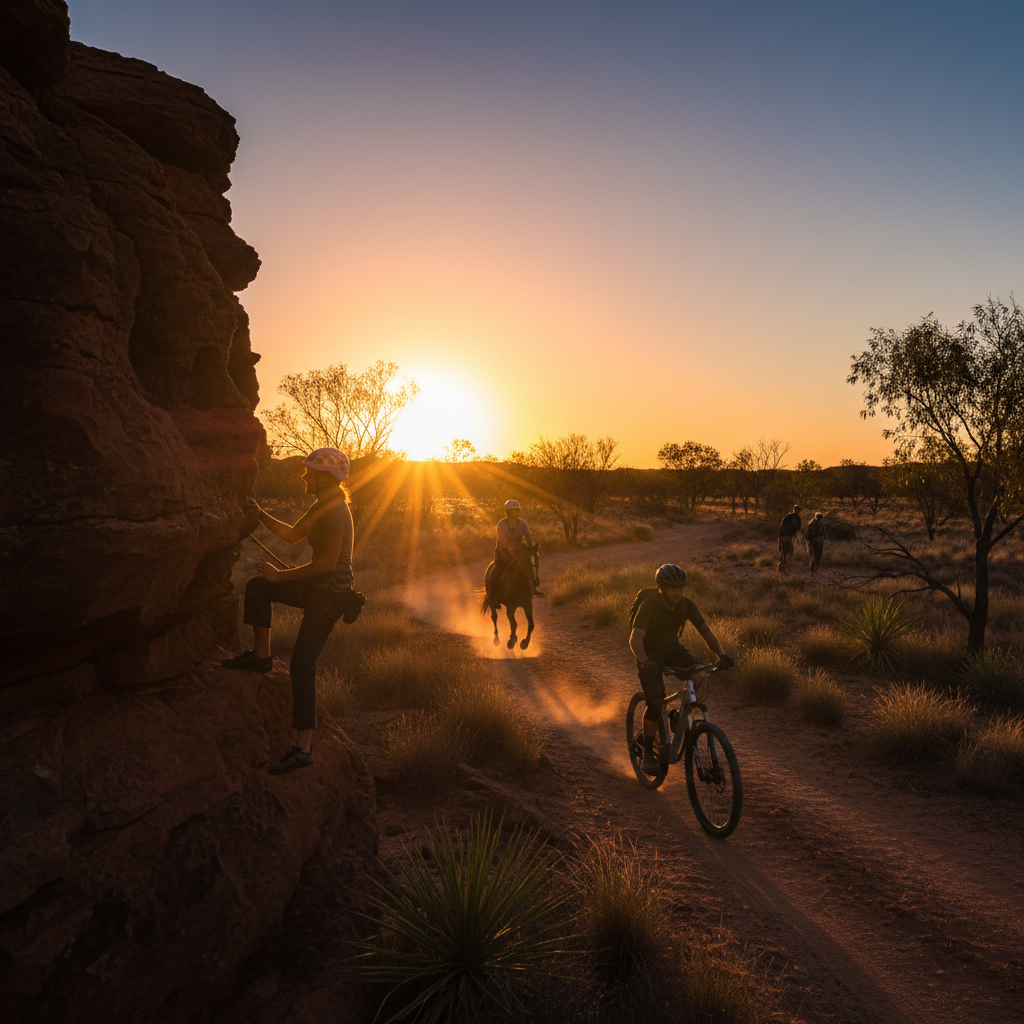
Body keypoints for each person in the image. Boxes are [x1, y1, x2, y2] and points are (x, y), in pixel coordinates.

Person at [224, 447, 357, 776]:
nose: (303, 475)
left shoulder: (335, 511)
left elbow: (327, 564)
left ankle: (303, 749)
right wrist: (259, 514)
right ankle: (261, 657)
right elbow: (292, 535)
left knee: (302, 665)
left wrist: (280, 576)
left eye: (308, 471)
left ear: (323, 477)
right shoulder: (322, 504)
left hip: (330, 596)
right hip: (316, 588)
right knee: (258, 587)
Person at [628, 563, 732, 776]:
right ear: (661, 588)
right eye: (673, 588)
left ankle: (684, 715)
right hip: (649, 655)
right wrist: (645, 661)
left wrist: (722, 655)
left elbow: (706, 632)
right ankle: (648, 753)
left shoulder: (686, 605)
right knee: (656, 703)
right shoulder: (649, 606)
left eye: (680, 587)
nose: (678, 592)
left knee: (700, 673)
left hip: (673, 650)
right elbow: (635, 639)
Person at [492, 499, 541, 595]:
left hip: (519, 552)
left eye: (517, 510)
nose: (516, 513)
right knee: (497, 571)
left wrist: (531, 550)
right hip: (503, 552)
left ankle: (533, 586)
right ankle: (493, 595)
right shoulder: (501, 524)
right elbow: (502, 541)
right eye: (514, 511)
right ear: (508, 512)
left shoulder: (523, 523)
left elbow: (528, 537)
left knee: (529, 566)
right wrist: (510, 553)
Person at [777, 504, 803, 572]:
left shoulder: (789, 516)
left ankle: (783, 566)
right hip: (786, 537)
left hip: (784, 536)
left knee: (786, 552)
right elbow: (798, 527)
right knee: (788, 551)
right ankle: (782, 566)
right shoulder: (794, 517)